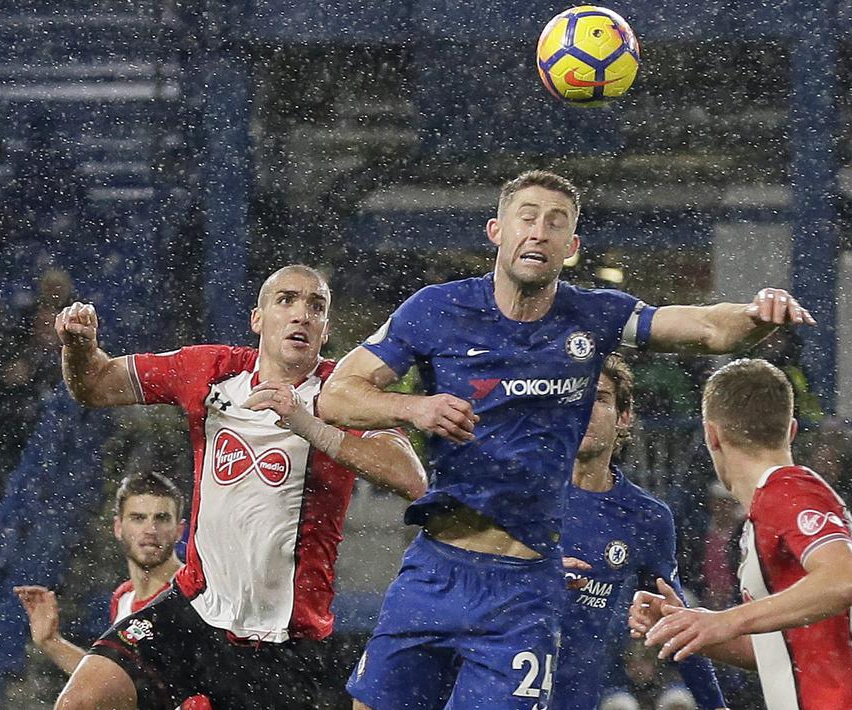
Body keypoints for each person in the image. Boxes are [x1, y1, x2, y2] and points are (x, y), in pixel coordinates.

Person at [315, 169, 814, 709]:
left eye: (556, 224)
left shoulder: (593, 315)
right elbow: (336, 394)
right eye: (526, 218)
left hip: (525, 591)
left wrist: (755, 314)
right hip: (435, 571)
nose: (539, 232)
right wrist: (414, 407)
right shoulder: (437, 309)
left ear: (571, 246)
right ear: (496, 231)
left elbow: (707, 329)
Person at [53, 264, 428, 709]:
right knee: (82, 702)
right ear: (258, 319)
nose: (301, 315)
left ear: (325, 330)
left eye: (316, 307)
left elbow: (410, 477)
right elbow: (95, 385)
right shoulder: (209, 370)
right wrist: (79, 349)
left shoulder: (341, 394)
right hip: (194, 611)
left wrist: (308, 425)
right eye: (286, 300)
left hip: (285, 642)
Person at [632, 358, 852, 708]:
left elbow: (843, 579)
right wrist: (692, 626)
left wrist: (728, 619)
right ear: (791, 430)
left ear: (711, 435)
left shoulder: (787, 489)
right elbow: (783, 651)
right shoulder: (769, 509)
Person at [554, 353, 725, 710]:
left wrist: (714, 705)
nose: (585, 408)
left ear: (624, 417)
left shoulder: (645, 518)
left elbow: (677, 622)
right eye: (574, 396)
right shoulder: (518, 498)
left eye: (599, 398)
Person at [16, 472, 210, 708]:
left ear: (180, 530)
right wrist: (51, 642)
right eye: (138, 518)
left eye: (161, 518)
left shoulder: (199, 597)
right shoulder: (123, 598)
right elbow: (118, 680)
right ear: (118, 527)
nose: (150, 529)